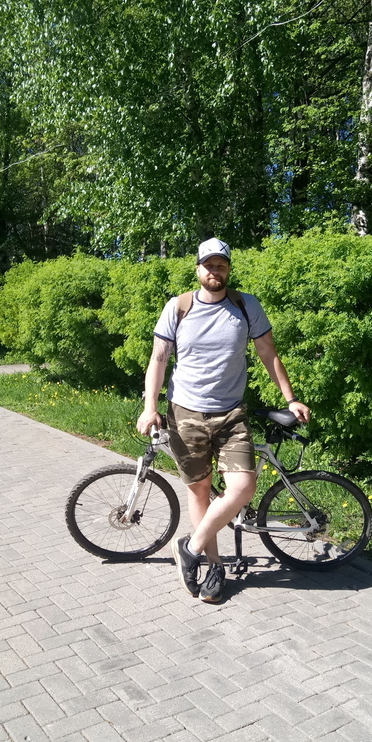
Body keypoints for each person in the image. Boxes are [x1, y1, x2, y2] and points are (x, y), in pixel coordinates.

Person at [136, 238, 310, 603]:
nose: (215, 271)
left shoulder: (246, 306)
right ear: (198, 269)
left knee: (243, 487)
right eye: (209, 265)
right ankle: (214, 567)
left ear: (229, 269)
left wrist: (291, 399)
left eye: (222, 265)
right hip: (185, 412)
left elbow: (268, 352)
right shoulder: (178, 307)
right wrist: (150, 406)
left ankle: (190, 547)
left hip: (231, 413)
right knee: (200, 490)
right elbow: (158, 359)